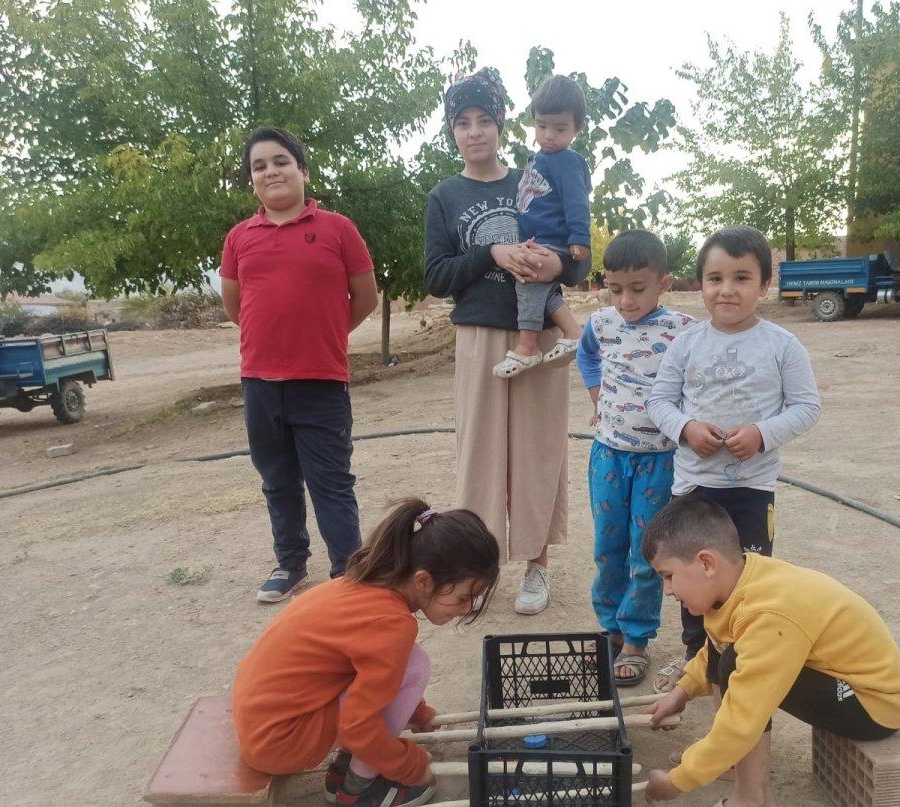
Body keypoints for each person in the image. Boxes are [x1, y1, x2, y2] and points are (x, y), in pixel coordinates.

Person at [423, 68, 587, 615]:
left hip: (537, 336)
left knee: (539, 453)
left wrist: (557, 264)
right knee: (480, 458)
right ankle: (475, 571)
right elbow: (436, 276)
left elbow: (574, 255)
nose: (474, 132)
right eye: (462, 123)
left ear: (500, 124)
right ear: (452, 131)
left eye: (484, 120)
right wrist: (491, 253)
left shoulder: (534, 175)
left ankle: (537, 565)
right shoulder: (444, 196)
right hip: (479, 338)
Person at [642, 495, 900, 806]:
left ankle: (752, 799)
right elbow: (715, 645)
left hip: (871, 703)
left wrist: (678, 781)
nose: (668, 590)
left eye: (668, 576)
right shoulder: (742, 578)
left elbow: (744, 717)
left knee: (738, 669)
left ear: (706, 563)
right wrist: (683, 691)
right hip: (840, 680)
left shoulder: (769, 614)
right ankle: (731, 759)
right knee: (731, 657)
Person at [232, 498, 500, 807]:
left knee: (407, 663)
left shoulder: (361, 586)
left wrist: (416, 711)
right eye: (464, 597)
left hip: (263, 727)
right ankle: (359, 786)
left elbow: (372, 672)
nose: (466, 609)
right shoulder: (391, 623)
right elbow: (358, 723)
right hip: (281, 742)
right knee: (415, 666)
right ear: (423, 581)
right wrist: (409, 764)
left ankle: (345, 770)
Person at [645, 225, 821, 691]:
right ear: (700, 284)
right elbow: (659, 401)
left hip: (751, 490)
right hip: (693, 488)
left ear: (765, 285)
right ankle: (695, 659)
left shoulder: (782, 345)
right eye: (715, 278)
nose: (727, 289)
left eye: (742, 278)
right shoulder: (686, 343)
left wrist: (762, 434)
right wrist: (687, 428)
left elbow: (807, 407)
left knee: (748, 580)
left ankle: (744, 662)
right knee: (689, 575)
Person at [220, 127, 378, 603]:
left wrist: (323, 335)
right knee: (277, 481)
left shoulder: (338, 229)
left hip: (321, 381)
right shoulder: (239, 238)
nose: (271, 172)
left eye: (281, 161)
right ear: (252, 179)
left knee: (331, 482)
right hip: (260, 383)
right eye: (259, 166)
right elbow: (235, 306)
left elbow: (365, 297)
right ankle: (290, 564)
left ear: (303, 171)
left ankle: (349, 572)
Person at [576, 230, 695, 687]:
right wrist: (597, 397)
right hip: (608, 456)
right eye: (615, 288)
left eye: (638, 289)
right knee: (607, 549)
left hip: (659, 461)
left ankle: (636, 639)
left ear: (663, 283)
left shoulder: (683, 330)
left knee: (646, 553)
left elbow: (699, 380)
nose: (626, 300)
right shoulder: (600, 324)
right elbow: (587, 358)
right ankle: (610, 627)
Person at [492, 74, 590, 378]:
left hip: (553, 239)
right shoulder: (537, 159)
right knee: (542, 291)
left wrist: (580, 238)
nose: (549, 135)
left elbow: (577, 201)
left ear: (577, 128)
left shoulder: (567, 161)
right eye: (542, 126)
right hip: (537, 237)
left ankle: (527, 347)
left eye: (560, 129)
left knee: (527, 280)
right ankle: (574, 332)